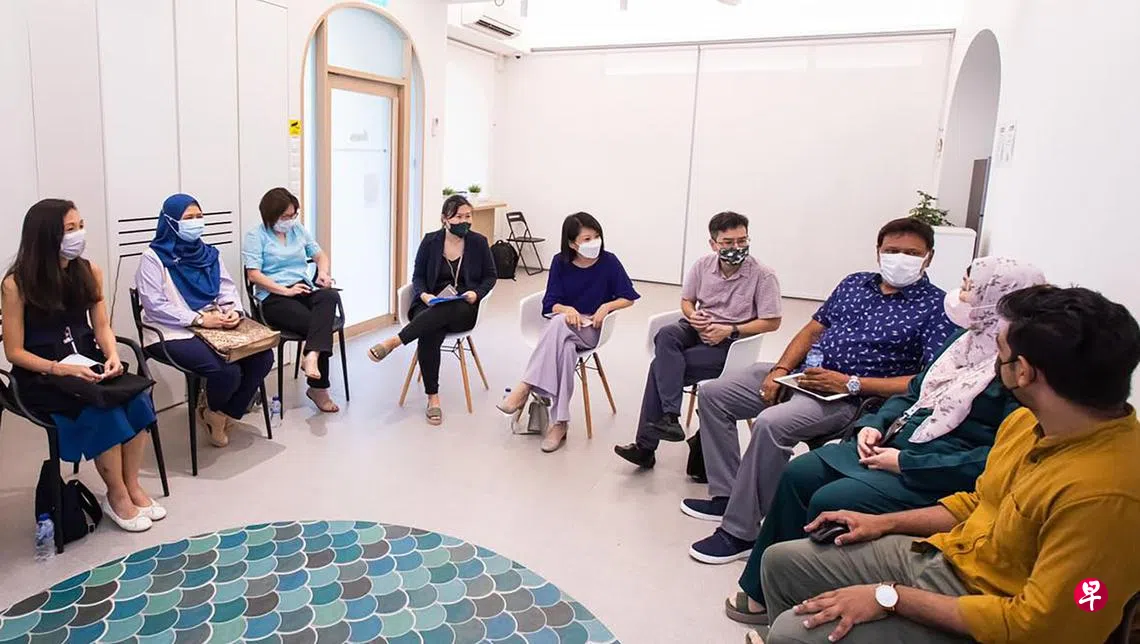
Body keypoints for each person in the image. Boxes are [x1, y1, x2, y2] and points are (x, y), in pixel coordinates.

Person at [744, 285, 1140, 644]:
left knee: (793, 633)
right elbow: (979, 502)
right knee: (780, 563)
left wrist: (889, 597)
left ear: (1023, 372)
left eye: (999, 353)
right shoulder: (1027, 423)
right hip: (959, 557)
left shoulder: (1105, 496)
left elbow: (1039, 626)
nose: (992, 363)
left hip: (992, 610)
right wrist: (884, 523)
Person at [724, 257, 1045, 627]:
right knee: (801, 472)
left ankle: (813, 608)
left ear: (997, 300)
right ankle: (765, 590)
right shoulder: (964, 341)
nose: (962, 294)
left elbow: (994, 459)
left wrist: (904, 463)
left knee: (833, 499)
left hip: (933, 468)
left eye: (971, 288)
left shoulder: (1016, 372)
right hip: (895, 441)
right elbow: (917, 392)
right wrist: (874, 424)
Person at [686, 217, 954, 565]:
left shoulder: (936, 307)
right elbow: (812, 331)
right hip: (803, 375)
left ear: (928, 257)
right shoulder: (855, 283)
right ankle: (727, 495)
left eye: (911, 253)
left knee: (771, 424)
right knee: (714, 394)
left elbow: (927, 381)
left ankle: (741, 532)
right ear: (878, 252)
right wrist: (781, 370)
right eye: (892, 250)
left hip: (851, 397)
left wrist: (850, 383)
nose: (900, 258)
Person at [2, 199, 163, 532]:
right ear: (46, 236)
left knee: (138, 399)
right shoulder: (16, 285)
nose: (79, 235)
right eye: (69, 229)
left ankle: (132, 484)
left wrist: (112, 355)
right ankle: (117, 495)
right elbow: (14, 352)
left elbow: (101, 326)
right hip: (41, 376)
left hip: (87, 364)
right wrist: (59, 368)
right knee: (104, 411)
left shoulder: (89, 272)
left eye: (81, 226)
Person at [614, 211, 783, 468]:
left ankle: (651, 441)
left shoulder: (763, 275)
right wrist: (693, 316)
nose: (737, 247)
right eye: (728, 242)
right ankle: (668, 419)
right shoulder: (702, 266)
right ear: (713, 244)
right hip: (698, 328)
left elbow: (773, 321)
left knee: (659, 366)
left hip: (731, 343)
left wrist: (730, 329)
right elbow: (687, 301)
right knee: (666, 334)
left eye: (742, 240)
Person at [136, 193, 274, 448]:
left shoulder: (209, 253)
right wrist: (198, 319)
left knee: (263, 357)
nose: (196, 222)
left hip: (216, 323)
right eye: (188, 218)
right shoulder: (153, 258)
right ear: (170, 222)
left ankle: (219, 413)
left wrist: (233, 311)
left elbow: (226, 288)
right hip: (172, 330)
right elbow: (155, 306)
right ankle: (216, 411)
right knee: (227, 371)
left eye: (199, 216)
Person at [496, 212, 640, 452]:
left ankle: (525, 387)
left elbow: (629, 297)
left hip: (592, 328)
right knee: (566, 349)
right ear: (572, 243)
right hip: (563, 328)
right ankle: (560, 423)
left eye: (596, 236)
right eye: (586, 239)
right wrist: (566, 310)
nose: (594, 242)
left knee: (558, 325)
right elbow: (550, 303)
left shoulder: (609, 262)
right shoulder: (560, 262)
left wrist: (606, 306)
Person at [366, 195, 496, 425]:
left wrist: (476, 294)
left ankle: (395, 341)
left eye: (468, 216)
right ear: (445, 219)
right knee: (430, 330)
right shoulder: (430, 241)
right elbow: (417, 276)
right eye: (458, 217)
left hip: (463, 308)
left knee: (444, 313)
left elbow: (490, 277)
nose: (465, 221)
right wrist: (425, 295)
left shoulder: (479, 242)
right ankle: (433, 397)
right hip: (429, 304)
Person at [243, 187, 341, 413]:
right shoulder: (255, 236)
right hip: (274, 296)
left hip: (302, 287)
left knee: (330, 295)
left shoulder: (298, 230)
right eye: (285, 216)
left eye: (293, 215)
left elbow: (320, 255)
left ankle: (312, 354)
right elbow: (253, 274)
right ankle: (318, 388)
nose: (290, 220)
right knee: (318, 324)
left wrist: (323, 273)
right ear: (270, 215)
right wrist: (285, 291)